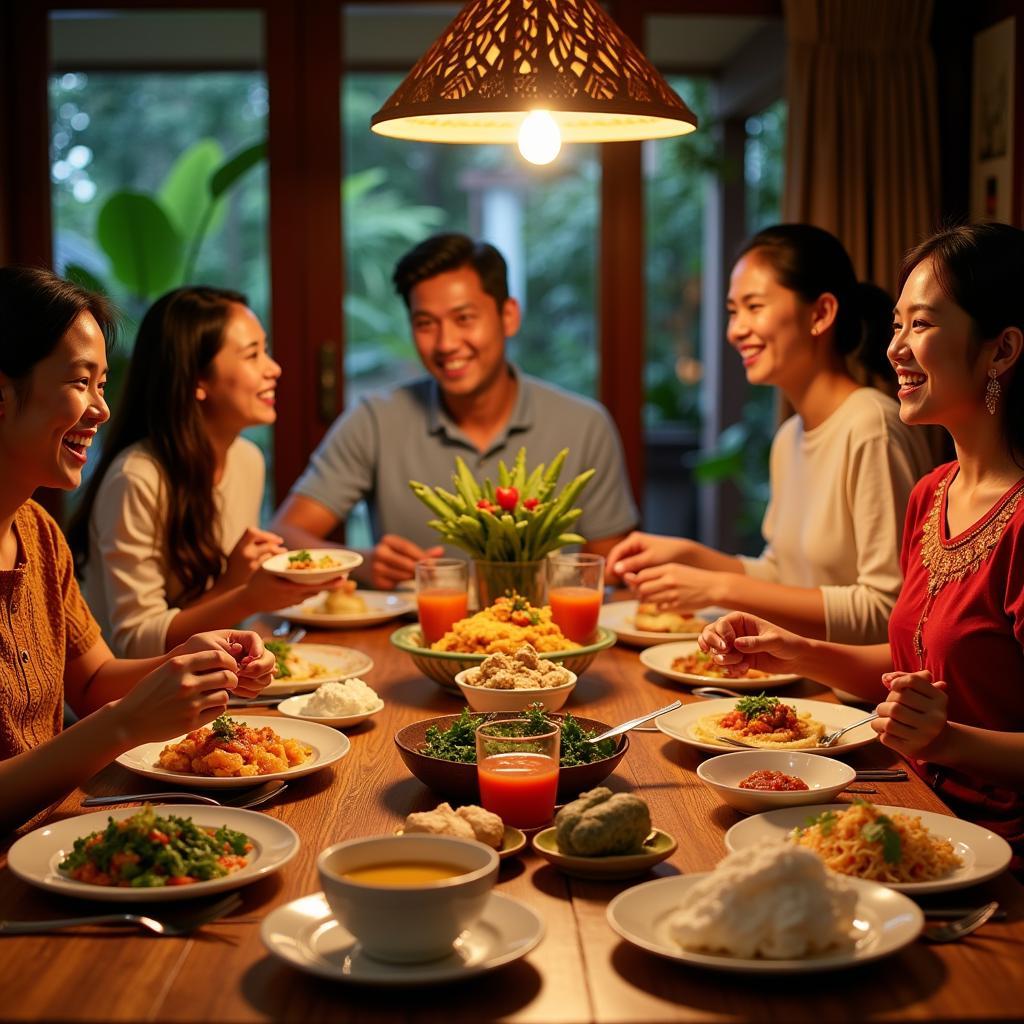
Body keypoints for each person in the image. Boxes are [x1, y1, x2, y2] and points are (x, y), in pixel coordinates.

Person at [698, 223, 1024, 863]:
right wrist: (790, 651)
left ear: (1002, 350)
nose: (897, 348)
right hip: (905, 805)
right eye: (897, 324)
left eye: (923, 325)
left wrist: (948, 741)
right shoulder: (933, 493)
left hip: (995, 850)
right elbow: (915, 668)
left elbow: (937, 721)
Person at [0, 267, 275, 833]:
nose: (100, 410)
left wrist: (195, 658)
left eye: (103, 384)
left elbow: (95, 677)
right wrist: (124, 724)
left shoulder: (39, 533)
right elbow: (110, 706)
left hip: (61, 835)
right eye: (81, 382)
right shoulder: (136, 475)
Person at [607, 224, 934, 643]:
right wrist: (691, 556)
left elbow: (889, 609)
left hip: (857, 699)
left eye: (753, 306)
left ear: (820, 314)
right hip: (797, 679)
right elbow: (783, 575)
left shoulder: (872, 427)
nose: (735, 329)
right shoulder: (789, 436)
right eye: (732, 311)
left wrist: (718, 588)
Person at [271, 233, 638, 589]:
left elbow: (608, 570)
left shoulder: (584, 425)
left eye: (464, 318)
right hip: (408, 639)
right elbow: (282, 537)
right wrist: (363, 562)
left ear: (508, 315)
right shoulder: (375, 420)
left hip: (544, 641)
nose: (446, 344)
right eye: (425, 324)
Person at [69, 286, 332, 658]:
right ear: (198, 380)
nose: (274, 369)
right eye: (252, 355)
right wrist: (242, 593)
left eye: (266, 350)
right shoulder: (138, 478)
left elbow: (221, 608)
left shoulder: (247, 459)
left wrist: (241, 584)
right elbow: (135, 642)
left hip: (211, 679)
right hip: (131, 701)